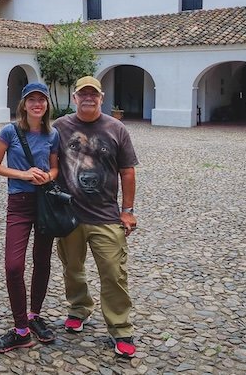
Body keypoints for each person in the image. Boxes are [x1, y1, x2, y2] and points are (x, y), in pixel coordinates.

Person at [53, 75, 140, 359]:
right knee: (72, 268)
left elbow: (127, 171)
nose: (88, 97)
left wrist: (127, 211)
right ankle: (79, 309)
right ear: (75, 98)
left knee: (114, 273)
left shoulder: (116, 128)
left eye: (93, 94)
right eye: (83, 94)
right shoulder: (60, 127)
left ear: (101, 98)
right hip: (70, 215)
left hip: (106, 216)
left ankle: (120, 327)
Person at [0, 82, 61, 353]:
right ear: (24, 104)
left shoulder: (52, 134)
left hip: (44, 202)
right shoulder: (10, 131)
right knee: (14, 266)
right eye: (32, 100)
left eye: (41, 100)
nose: (37, 104)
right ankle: (20, 329)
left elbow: (55, 168)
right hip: (19, 202)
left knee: (42, 260)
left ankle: (33, 316)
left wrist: (46, 176)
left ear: (46, 105)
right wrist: (24, 174)